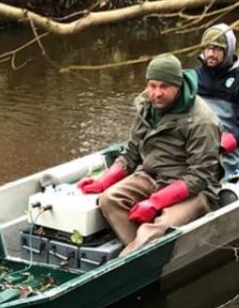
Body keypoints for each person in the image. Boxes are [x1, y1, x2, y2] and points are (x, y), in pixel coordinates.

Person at [77, 53, 222, 253]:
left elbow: (199, 177)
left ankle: (131, 256)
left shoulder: (202, 120)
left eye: (164, 86)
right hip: (151, 175)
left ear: (177, 86)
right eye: (152, 86)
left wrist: (155, 203)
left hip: (193, 191)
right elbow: (132, 153)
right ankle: (137, 249)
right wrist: (102, 182)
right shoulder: (147, 106)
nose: (156, 93)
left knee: (152, 231)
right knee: (109, 199)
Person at [195, 23, 239, 177]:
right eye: (207, 48)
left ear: (227, 51)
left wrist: (223, 144)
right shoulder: (193, 77)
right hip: (194, 141)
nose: (210, 53)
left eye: (216, 49)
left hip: (226, 148)